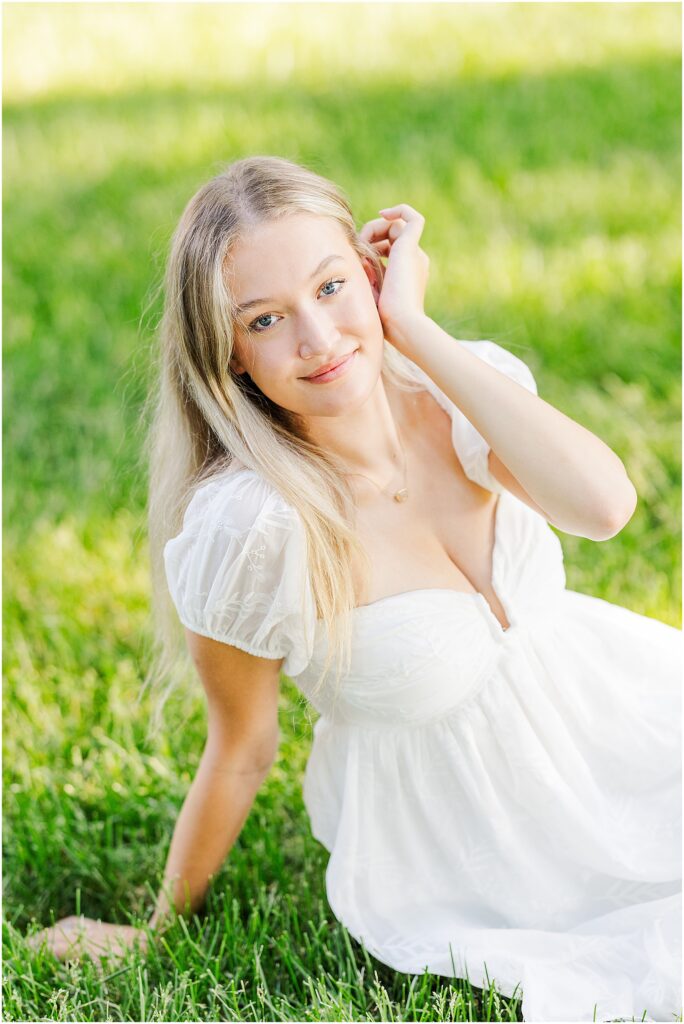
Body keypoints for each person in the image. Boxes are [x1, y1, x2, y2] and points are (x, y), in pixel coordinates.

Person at [27, 156, 681, 1022]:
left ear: (372, 272)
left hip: (618, 718)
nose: (318, 338)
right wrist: (159, 927)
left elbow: (602, 507)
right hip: (482, 842)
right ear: (228, 356)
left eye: (333, 286)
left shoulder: (457, 391)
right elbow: (242, 747)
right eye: (266, 319)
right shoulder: (253, 530)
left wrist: (412, 327)